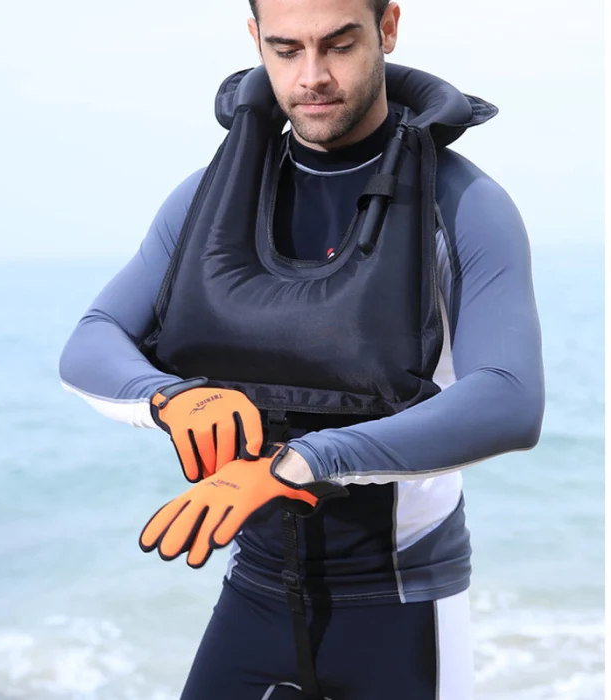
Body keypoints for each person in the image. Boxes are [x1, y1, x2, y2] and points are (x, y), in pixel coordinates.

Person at [59, 0, 545, 697]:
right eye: (286, 50)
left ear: (388, 28)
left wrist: (297, 464)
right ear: (255, 40)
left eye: (338, 45)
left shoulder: (463, 204)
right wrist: (171, 398)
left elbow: (508, 398)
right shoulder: (208, 200)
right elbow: (94, 338)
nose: (312, 75)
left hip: (402, 606)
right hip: (253, 598)